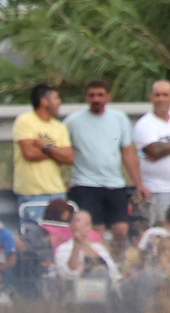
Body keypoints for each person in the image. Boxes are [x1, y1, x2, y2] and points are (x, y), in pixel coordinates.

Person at [65, 80, 145, 254]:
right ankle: (96, 270)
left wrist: (139, 184)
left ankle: (115, 267)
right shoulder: (73, 121)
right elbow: (60, 149)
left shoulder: (120, 118)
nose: (96, 99)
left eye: (100, 95)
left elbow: (128, 153)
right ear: (86, 97)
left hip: (114, 184)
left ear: (108, 97)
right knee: (95, 231)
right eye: (92, 95)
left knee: (121, 229)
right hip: (85, 184)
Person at [13, 84, 74, 224]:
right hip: (32, 193)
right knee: (34, 239)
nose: (59, 102)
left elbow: (69, 157)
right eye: (56, 98)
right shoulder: (25, 121)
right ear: (44, 101)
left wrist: (45, 147)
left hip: (57, 193)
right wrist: (57, 152)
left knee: (59, 237)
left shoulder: (60, 127)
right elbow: (29, 153)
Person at [135, 81, 170, 226]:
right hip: (157, 190)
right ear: (150, 97)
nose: (161, 99)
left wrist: (163, 146)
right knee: (160, 236)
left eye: (165, 95)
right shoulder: (145, 124)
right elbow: (152, 152)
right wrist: (158, 149)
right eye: (157, 95)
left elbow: (159, 149)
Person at [54, 209, 121, 286]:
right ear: (71, 225)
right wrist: (77, 244)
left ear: (90, 228)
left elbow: (115, 274)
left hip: (108, 290)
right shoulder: (63, 249)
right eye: (78, 220)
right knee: (100, 272)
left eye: (87, 223)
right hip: (81, 291)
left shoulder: (99, 248)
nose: (83, 224)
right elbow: (68, 274)